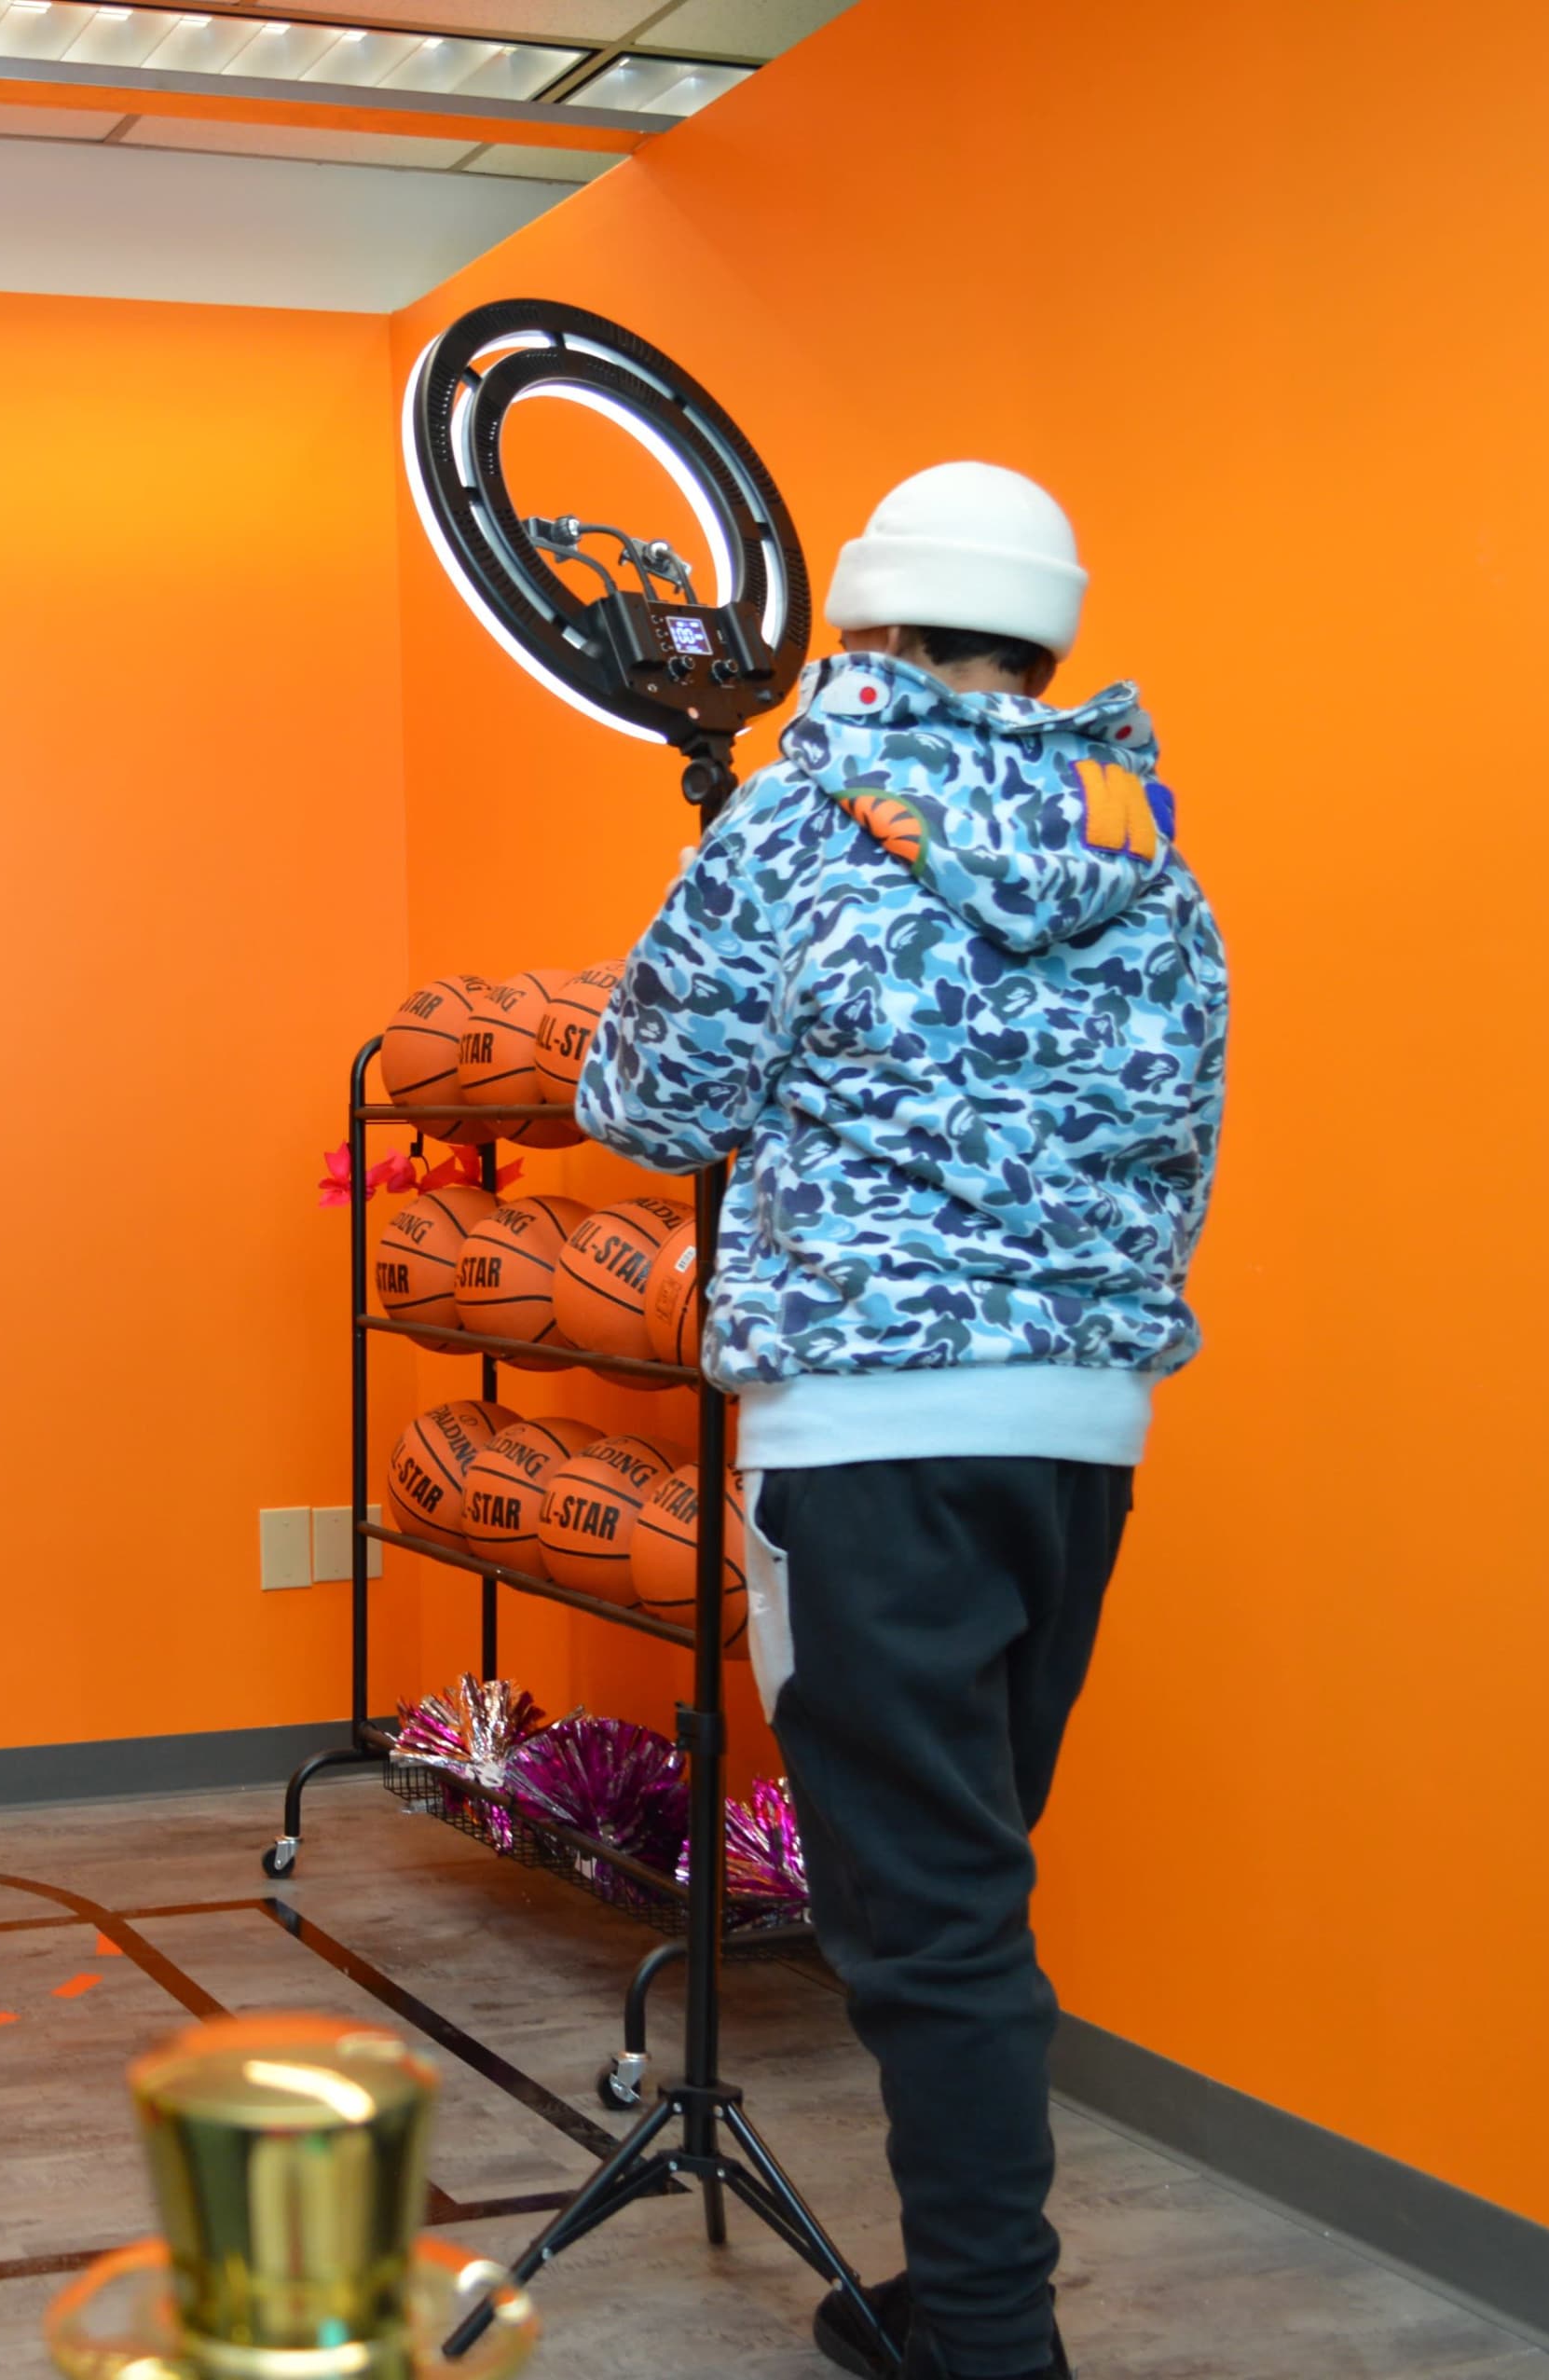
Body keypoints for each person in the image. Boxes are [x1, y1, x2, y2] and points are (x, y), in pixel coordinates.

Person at [578, 463, 1229, 2380]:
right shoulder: (1150, 846)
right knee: (970, 1873)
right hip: (1081, 1437)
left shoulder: (789, 826)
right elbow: (1181, 1138)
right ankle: (959, 2299)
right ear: (1049, 635)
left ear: (864, 627)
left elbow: (640, 1096)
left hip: (862, 1435)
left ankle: (996, 2346)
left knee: (920, 1916)